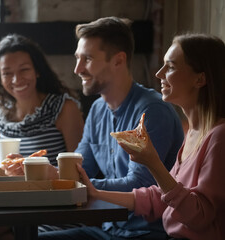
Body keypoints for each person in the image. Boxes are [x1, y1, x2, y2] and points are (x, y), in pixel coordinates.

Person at [39, 17, 185, 239]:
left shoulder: (152, 111)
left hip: (146, 233)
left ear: (118, 60)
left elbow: (138, 185)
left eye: (87, 59)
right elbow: (80, 167)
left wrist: (71, 182)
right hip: (108, 229)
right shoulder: (98, 109)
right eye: (77, 59)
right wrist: (42, 173)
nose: (78, 69)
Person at [76, 33, 225, 239]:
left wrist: (153, 162)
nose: (159, 73)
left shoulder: (219, 137)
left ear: (200, 78)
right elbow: (159, 198)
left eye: (170, 67)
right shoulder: (193, 133)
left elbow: (199, 216)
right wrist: (95, 193)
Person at [0, 34, 84, 176]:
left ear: (37, 70)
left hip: (53, 195)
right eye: (7, 73)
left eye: (24, 69)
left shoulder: (64, 108)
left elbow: (79, 171)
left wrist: (32, 168)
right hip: (15, 195)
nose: (16, 80)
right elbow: (7, 175)